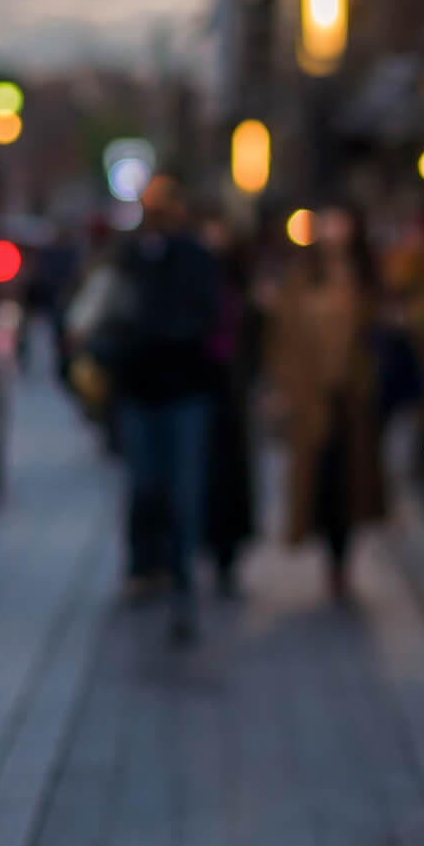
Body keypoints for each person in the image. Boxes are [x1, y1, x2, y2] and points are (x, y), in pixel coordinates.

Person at [95, 175, 223, 645]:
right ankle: (146, 566)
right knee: (145, 485)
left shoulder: (196, 259)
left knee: (183, 494)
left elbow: (209, 318)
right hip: (140, 392)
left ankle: (182, 580)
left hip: (185, 392)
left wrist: (164, 335)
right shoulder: (131, 258)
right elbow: (108, 312)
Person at [268, 206, 386, 601]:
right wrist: (285, 387)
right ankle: (329, 559)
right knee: (321, 483)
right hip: (313, 399)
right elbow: (284, 339)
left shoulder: (363, 281)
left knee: (351, 483)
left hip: (353, 399)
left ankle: (342, 561)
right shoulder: (301, 281)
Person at [199, 216, 260, 599]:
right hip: (203, 391)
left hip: (231, 396)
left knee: (230, 473)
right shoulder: (196, 288)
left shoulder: (241, 292)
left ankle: (227, 551)